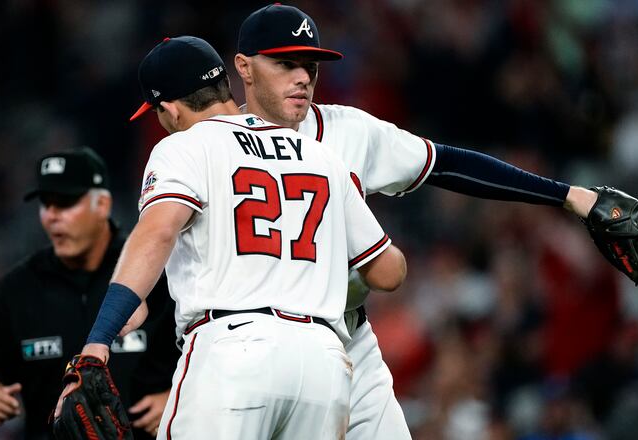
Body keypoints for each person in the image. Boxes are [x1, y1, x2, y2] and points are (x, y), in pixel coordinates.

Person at [232, 4, 603, 439]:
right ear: (245, 67)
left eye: (309, 65)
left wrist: (568, 195)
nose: (302, 77)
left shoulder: (348, 131)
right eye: (285, 63)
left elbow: (450, 164)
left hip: (346, 337)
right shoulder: (209, 146)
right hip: (251, 343)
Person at [56, 36, 407, 439]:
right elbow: (388, 272)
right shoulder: (319, 154)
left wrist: (98, 340)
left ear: (168, 109)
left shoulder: (184, 147)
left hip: (233, 352)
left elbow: (159, 231)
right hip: (324, 363)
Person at [0, 147, 179, 439]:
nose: (52, 216)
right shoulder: (16, 287)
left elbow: (208, 352)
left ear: (102, 204)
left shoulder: (156, 273)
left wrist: (177, 396)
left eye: (65, 203)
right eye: (46, 203)